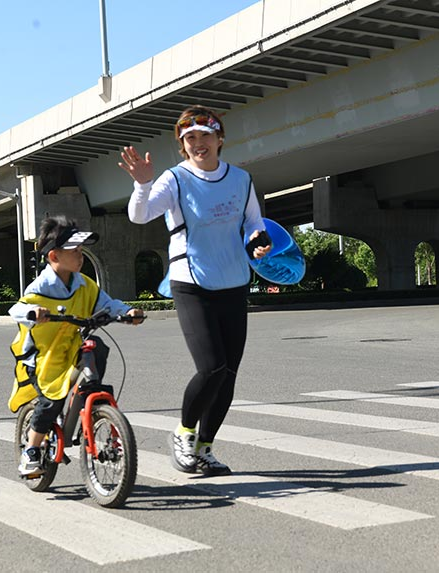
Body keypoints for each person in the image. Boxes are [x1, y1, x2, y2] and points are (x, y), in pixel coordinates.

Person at [119, 105, 271, 476]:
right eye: (190, 138)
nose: (198, 143)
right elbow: (140, 216)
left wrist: (257, 240)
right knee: (211, 367)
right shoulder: (175, 178)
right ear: (182, 145)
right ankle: (183, 433)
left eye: (205, 136)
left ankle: (205, 448)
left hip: (233, 280)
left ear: (220, 139)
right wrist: (142, 184)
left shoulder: (241, 179)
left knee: (228, 373)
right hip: (190, 281)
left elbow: (253, 221)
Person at [8, 215, 143, 477]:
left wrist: (127, 312)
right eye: (75, 251)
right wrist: (34, 312)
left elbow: (107, 304)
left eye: (82, 251)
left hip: (70, 348)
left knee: (97, 345)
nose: (81, 257)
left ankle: (92, 406)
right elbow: (18, 308)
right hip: (42, 356)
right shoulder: (41, 287)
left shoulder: (85, 284)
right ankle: (32, 451)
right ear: (54, 257)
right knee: (49, 402)